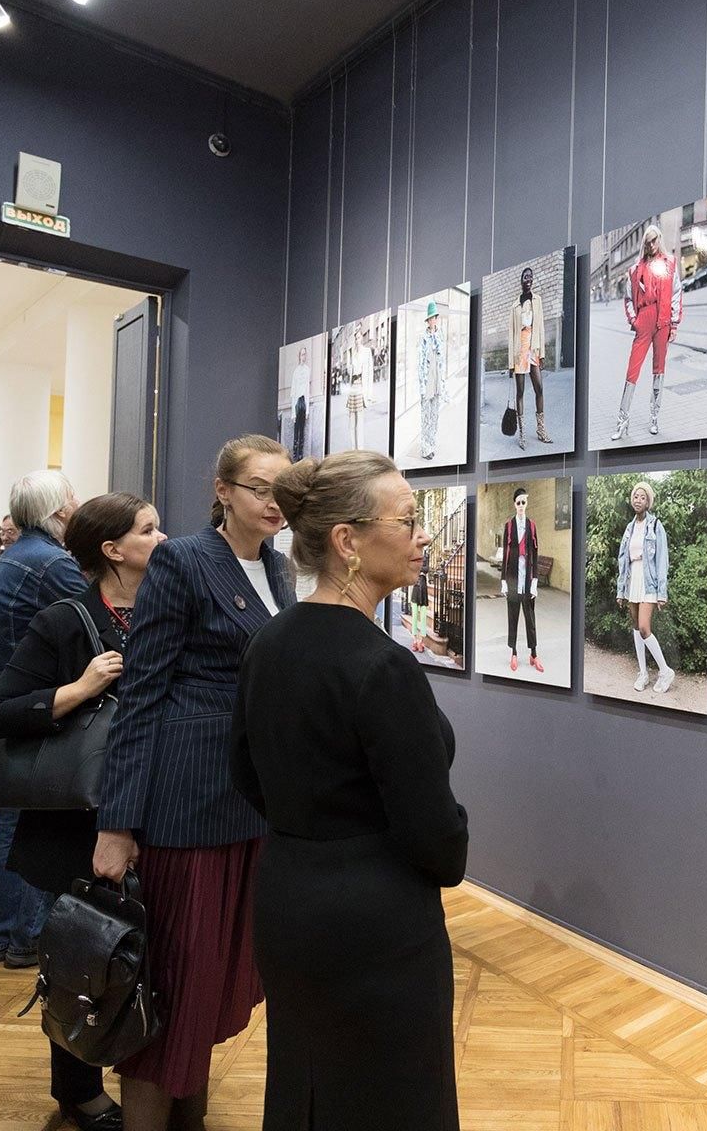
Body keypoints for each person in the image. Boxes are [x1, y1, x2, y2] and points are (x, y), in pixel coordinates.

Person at [237, 450, 467, 1130]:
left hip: (288, 898)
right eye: (406, 520)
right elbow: (438, 843)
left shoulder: (270, 642)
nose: (422, 535)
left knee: (307, 1089)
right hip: (375, 926)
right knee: (389, 1100)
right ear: (348, 541)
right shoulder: (381, 666)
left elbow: (245, 776)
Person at [93, 434, 295, 1130]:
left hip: (252, 803)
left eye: (283, 490)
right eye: (261, 487)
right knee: (174, 984)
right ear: (223, 490)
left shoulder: (280, 567)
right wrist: (115, 824)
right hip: (186, 803)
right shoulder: (184, 559)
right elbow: (141, 694)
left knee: (213, 984)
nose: (275, 502)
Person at [0, 492, 166, 1131]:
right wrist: (80, 688)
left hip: (165, 812)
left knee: (156, 959)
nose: (164, 538)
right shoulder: (65, 621)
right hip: (78, 822)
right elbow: (1, 711)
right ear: (112, 550)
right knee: (86, 959)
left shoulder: (174, 611)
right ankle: (79, 1092)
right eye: (149, 530)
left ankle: (155, 1083)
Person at [0, 470, 86, 968]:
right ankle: (26, 935)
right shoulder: (53, 564)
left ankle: (1, 933)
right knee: (28, 824)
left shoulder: (13, 558)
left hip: (15, 698)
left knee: (11, 819)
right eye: (72, 499)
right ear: (59, 512)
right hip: (41, 704)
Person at [609, 224, 682, 440]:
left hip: (663, 321)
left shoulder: (670, 264)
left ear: (659, 239)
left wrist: (674, 323)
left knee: (658, 369)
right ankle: (622, 421)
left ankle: (654, 417)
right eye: (647, 242)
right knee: (632, 371)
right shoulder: (634, 269)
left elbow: (676, 293)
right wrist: (634, 320)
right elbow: (629, 297)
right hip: (644, 320)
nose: (651, 245)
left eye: (654, 240)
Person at [614, 480, 674, 694]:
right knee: (635, 628)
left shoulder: (656, 525)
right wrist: (621, 589)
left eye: (642, 497)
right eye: (635, 496)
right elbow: (623, 559)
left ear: (648, 502)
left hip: (649, 581)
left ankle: (665, 671)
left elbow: (662, 560)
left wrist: (661, 592)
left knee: (644, 627)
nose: (638, 500)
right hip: (632, 580)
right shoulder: (629, 528)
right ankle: (643, 673)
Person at [511, 266, 554, 449]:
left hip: (533, 348)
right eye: (525, 277)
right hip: (520, 348)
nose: (528, 279)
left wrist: (542, 354)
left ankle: (541, 430)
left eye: (530, 277)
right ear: (521, 281)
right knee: (520, 392)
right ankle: (521, 434)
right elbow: (511, 333)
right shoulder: (514, 305)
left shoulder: (538, 301)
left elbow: (541, 328)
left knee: (539, 388)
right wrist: (510, 362)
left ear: (532, 280)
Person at [501, 486, 542, 673]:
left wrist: (535, 582)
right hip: (512, 577)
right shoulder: (509, 526)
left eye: (523, 502)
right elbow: (505, 555)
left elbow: (535, 553)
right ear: (514, 504)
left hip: (527, 577)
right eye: (518, 503)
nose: (521, 506)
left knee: (530, 617)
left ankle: (534, 654)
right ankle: (514, 653)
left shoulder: (532, 526)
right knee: (512, 616)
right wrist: (503, 580)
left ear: (527, 503)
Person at [419, 300, 444, 460]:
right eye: (431, 318)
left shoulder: (440, 335)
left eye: (435, 317)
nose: (433, 320)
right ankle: (425, 448)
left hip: (437, 379)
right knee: (426, 417)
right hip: (427, 381)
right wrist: (422, 385)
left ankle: (431, 445)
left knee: (435, 416)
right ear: (428, 321)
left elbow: (443, 358)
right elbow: (420, 362)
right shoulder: (423, 337)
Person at [342, 325, 370, 450]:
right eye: (355, 339)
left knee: (360, 420)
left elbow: (369, 373)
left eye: (358, 338)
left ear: (362, 339)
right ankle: (354, 449)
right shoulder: (352, 353)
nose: (357, 340)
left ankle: (361, 449)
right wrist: (349, 365)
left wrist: (369, 394)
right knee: (351, 421)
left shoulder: (366, 352)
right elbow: (349, 372)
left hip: (361, 386)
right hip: (353, 386)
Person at [289, 345, 314, 460]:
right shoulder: (296, 371)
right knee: (296, 430)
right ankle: (295, 455)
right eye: (302, 354)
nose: (303, 356)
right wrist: (293, 413)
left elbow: (307, 390)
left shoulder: (307, 370)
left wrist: (307, 409)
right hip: (297, 402)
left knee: (302, 430)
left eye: (305, 354)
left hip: (304, 401)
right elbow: (293, 392)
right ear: (299, 356)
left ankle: (300, 456)